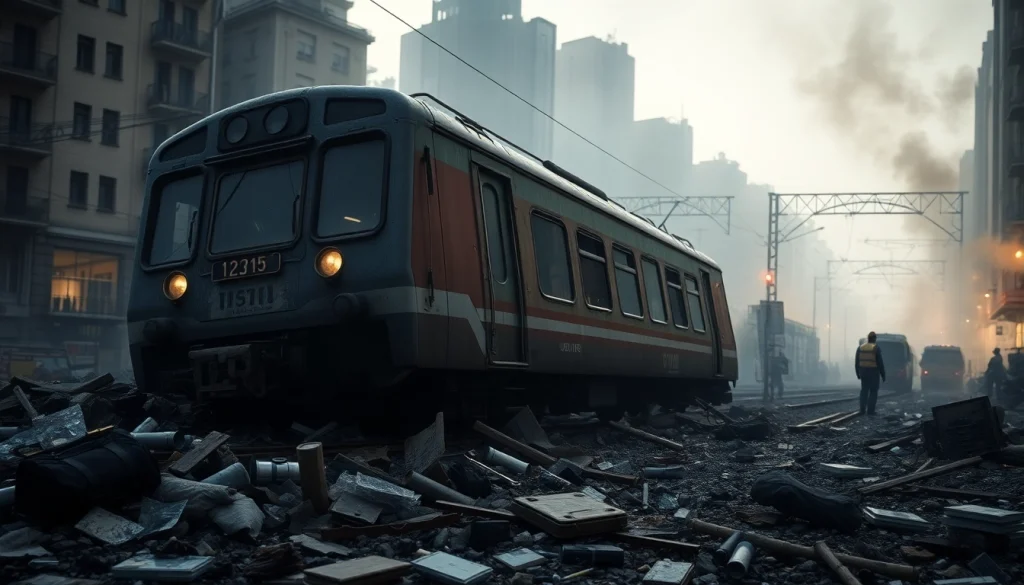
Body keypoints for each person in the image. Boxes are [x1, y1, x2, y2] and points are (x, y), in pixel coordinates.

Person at [855, 332, 887, 415]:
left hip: (863, 372)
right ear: (875, 339)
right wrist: (883, 375)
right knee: (873, 391)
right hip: (873, 373)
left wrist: (858, 373)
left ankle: (862, 410)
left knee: (864, 391)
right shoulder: (876, 348)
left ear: (868, 338)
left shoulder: (860, 347)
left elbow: (857, 362)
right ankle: (870, 411)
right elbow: (880, 363)